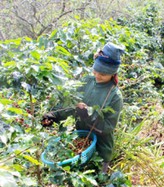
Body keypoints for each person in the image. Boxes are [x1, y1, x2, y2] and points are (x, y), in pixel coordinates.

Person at [42, 42, 125, 173]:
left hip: (100, 150)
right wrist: (54, 115)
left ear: (112, 74)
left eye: (103, 74)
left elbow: (108, 127)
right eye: (96, 71)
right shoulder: (86, 81)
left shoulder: (114, 96)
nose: (97, 76)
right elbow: (70, 104)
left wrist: (88, 116)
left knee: (97, 185)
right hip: (81, 144)